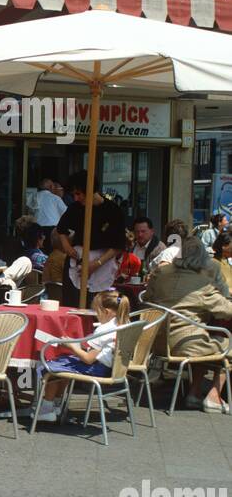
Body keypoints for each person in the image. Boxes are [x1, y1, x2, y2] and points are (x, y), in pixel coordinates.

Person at [144, 236, 232, 412]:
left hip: (155, 342)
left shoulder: (160, 274)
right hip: (185, 344)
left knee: (203, 335)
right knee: (224, 344)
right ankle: (214, 397)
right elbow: (227, 310)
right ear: (202, 258)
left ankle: (194, 393)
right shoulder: (202, 283)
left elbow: (146, 299)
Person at [34, 289, 130, 423]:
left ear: (106, 312)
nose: (96, 315)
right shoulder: (125, 323)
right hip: (113, 369)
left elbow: (88, 359)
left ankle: (47, 408)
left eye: (97, 311)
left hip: (97, 369)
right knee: (64, 361)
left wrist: (72, 347)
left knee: (51, 366)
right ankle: (55, 404)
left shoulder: (104, 330)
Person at [54, 175, 126, 306]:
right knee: (72, 301)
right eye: (74, 194)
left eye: (79, 194)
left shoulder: (113, 210)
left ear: (90, 191)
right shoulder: (75, 208)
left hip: (104, 261)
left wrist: (97, 264)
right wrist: (67, 247)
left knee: (99, 304)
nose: (76, 198)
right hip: (78, 258)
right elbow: (61, 229)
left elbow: (118, 244)